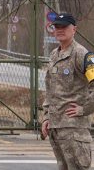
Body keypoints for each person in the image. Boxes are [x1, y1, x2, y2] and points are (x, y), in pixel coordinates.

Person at [41, 13, 94, 170]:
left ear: (74, 29)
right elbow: (50, 89)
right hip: (56, 128)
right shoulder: (54, 55)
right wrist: (46, 117)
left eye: (64, 26)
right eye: (57, 26)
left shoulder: (82, 54)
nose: (60, 30)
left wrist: (84, 109)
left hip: (74, 130)